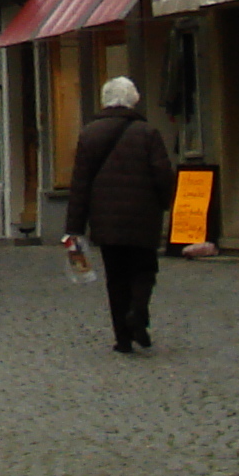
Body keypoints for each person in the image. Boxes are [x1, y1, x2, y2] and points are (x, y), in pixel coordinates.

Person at [64, 75, 176, 355]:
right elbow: (163, 175)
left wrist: (74, 227)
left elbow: (80, 185)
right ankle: (138, 312)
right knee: (144, 269)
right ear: (132, 100)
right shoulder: (148, 133)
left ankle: (122, 339)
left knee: (116, 277)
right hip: (143, 218)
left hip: (106, 221)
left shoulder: (89, 134)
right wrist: (165, 203)